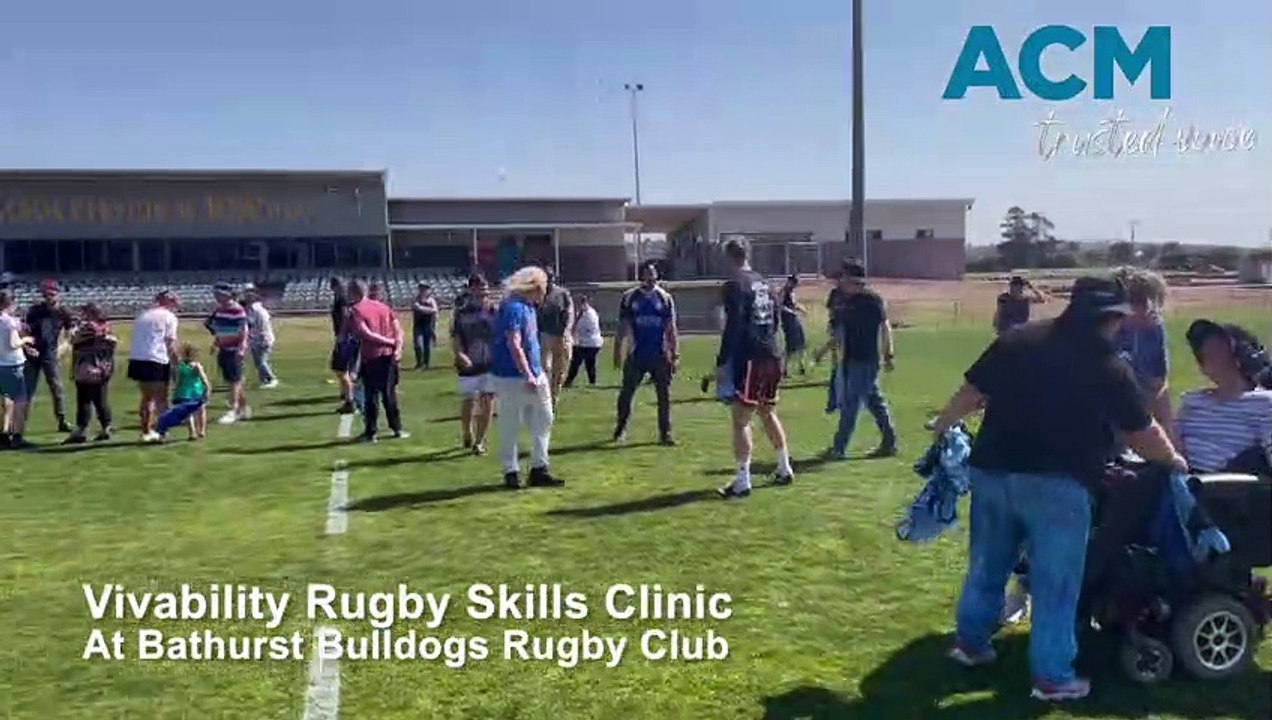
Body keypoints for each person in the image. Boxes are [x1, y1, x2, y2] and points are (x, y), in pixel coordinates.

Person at [928, 276, 1186, 702]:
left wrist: (941, 427)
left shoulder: (1017, 340)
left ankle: (971, 645)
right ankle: (1052, 677)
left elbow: (971, 392)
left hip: (992, 472)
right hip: (1057, 485)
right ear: (1109, 317)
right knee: (1056, 582)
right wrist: (1172, 460)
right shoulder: (1107, 363)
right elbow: (1141, 431)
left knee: (987, 565)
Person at [713, 240, 795, 498]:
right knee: (768, 412)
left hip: (750, 357)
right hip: (771, 352)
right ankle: (784, 467)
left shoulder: (734, 284)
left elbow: (734, 324)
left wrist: (723, 360)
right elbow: (778, 317)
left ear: (728, 257)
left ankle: (742, 480)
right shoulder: (765, 283)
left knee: (741, 418)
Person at [490, 266, 562, 489]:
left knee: (543, 418)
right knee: (512, 422)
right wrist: (528, 373)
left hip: (530, 372)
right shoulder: (514, 308)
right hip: (514, 375)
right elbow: (514, 343)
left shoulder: (527, 308)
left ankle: (537, 467)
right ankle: (513, 471)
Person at [1175, 320, 1272, 474]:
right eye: (1201, 347)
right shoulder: (1191, 401)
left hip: (1226, 488)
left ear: (1241, 353)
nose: (1205, 350)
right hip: (1181, 480)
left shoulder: (1264, 402)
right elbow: (1171, 445)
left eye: (1217, 345)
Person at [825, 260, 898, 459]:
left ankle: (839, 448)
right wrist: (826, 351)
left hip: (866, 360)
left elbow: (885, 327)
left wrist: (888, 353)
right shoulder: (844, 301)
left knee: (851, 403)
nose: (840, 282)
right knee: (874, 401)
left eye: (844, 278)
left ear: (854, 280)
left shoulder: (872, 301)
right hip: (849, 358)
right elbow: (838, 331)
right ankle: (890, 443)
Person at [612, 263, 679, 445]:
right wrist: (618, 350)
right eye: (647, 275)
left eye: (653, 275)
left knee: (664, 396)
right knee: (626, 393)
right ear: (641, 276)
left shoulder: (665, 298)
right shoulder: (630, 297)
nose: (651, 279)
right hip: (636, 354)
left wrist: (675, 354)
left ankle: (665, 434)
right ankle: (620, 428)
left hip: (659, 354)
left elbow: (671, 328)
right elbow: (622, 327)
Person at [347, 279, 408, 442]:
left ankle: (371, 432)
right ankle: (397, 429)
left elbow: (364, 333)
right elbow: (398, 330)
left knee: (371, 396)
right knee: (389, 395)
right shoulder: (384, 307)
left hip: (372, 357)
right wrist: (398, 347)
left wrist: (390, 342)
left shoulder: (356, 310)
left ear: (354, 293)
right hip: (389, 357)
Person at [1113, 268, 1172, 428]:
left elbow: (1159, 383)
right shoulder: (1106, 332)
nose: (1151, 312)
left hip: (1140, 412)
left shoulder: (1155, 329)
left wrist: (1168, 429)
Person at [450, 276, 497, 454]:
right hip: (468, 365)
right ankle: (467, 432)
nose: (483, 295)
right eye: (479, 291)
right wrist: (460, 355)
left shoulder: (495, 311)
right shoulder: (461, 313)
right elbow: (456, 338)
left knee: (487, 400)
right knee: (468, 401)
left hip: (490, 364)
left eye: (485, 291)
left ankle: (480, 441)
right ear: (470, 291)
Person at [128, 290, 180, 442]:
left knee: (147, 397)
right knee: (161, 399)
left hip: (138, 358)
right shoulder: (169, 317)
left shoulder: (143, 315)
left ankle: (146, 431)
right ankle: (162, 432)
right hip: (156, 359)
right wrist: (177, 363)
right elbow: (169, 342)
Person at [23, 280, 76, 432]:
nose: (49, 297)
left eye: (51, 294)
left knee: (57, 389)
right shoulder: (35, 310)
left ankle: (62, 420)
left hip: (50, 354)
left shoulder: (64, 312)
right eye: (46, 294)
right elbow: (25, 331)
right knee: (27, 391)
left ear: (57, 294)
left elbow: (70, 332)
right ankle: (20, 424)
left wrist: (64, 347)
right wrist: (26, 347)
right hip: (33, 355)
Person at [64, 303, 117, 443]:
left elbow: (74, 339)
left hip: (87, 367)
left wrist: (73, 330)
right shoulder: (107, 328)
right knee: (101, 399)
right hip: (104, 367)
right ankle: (106, 427)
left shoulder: (89, 327)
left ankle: (81, 430)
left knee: (84, 400)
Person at [204, 283, 251, 425]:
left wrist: (242, 347)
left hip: (234, 349)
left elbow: (243, 330)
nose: (216, 298)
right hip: (224, 348)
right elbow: (220, 329)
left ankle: (234, 409)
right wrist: (216, 343)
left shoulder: (237, 310)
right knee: (234, 380)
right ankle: (243, 409)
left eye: (219, 295)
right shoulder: (219, 310)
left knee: (234, 381)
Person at [0, 289, 36, 449]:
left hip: (1, 363)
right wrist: (26, 340)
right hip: (13, 364)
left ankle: (4, 432)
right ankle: (17, 436)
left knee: (6, 400)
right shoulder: (10, 321)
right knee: (20, 401)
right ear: (11, 303)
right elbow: (12, 344)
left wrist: (26, 348)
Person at [155, 343, 211, 441]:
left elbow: (177, 381)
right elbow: (203, 379)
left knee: (188, 413)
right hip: (196, 391)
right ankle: (201, 430)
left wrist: (175, 390)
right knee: (200, 410)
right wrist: (207, 388)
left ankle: (192, 432)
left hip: (184, 392)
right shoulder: (196, 366)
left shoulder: (180, 367)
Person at [536, 267, 574, 405]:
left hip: (561, 334)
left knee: (560, 369)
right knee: (545, 367)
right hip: (543, 334)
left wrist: (566, 330)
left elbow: (569, 312)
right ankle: (544, 397)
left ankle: (554, 396)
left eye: (550, 279)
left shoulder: (562, 294)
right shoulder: (536, 294)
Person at [328, 277, 357, 413]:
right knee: (343, 369)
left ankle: (350, 400)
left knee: (341, 369)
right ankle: (346, 394)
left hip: (345, 339)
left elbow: (346, 316)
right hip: (347, 338)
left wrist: (342, 334)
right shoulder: (341, 298)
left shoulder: (343, 299)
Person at [242, 284, 278, 389]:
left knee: (262, 361)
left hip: (263, 339)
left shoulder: (258, 310)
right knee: (258, 361)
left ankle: (271, 379)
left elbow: (263, 326)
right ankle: (264, 380)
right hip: (254, 339)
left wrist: (263, 339)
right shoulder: (248, 309)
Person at [565, 294, 602, 388]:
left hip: (589, 342)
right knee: (587, 363)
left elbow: (583, 328)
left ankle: (570, 381)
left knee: (578, 363)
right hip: (587, 342)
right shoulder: (582, 313)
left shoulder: (589, 314)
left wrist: (574, 331)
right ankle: (591, 382)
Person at [779, 274, 808, 376]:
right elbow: (780, 306)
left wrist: (801, 308)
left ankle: (801, 366)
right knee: (790, 346)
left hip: (794, 320)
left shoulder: (792, 293)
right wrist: (791, 312)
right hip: (788, 321)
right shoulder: (784, 292)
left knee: (801, 343)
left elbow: (794, 305)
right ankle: (784, 369)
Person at [412, 283, 439, 370]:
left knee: (427, 345)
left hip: (428, 325)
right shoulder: (416, 300)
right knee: (417, 344)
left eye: (424, 289)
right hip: (418, 325)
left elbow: (434, 310)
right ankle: (419, 362)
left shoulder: (431, 300)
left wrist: (421, 308)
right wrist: (428, 310)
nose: (422, 291)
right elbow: (416, 307)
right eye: (421, 289)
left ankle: (426, 363)